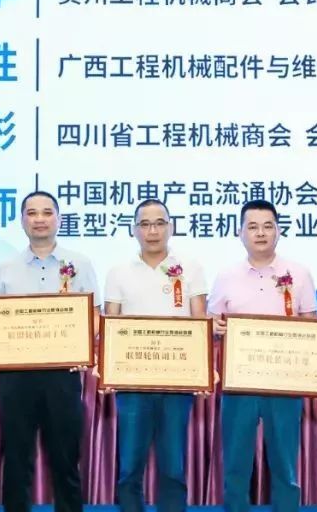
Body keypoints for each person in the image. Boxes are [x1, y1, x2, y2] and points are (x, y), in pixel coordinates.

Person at [208, 199, 317, 512]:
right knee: (235, 465)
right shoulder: (226, 276)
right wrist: (214, 327)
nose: (260, 233)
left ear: (278, 231)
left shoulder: (299, 273)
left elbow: (312, 327)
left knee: (285, 466)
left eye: (268, 226)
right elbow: (211, 323)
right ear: (240, 233)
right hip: (238, 383)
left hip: (285, 382)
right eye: (253, 227)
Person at [0, 191, 100, 512]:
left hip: (63, 375)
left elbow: (94, 315)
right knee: (16, 458)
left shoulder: (80, 263)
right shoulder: (5, 267)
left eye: (47, 212)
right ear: (22, 220)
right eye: (32, 213)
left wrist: (79, 346)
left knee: (66, 458)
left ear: (59, 219)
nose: (39, 219)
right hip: (15, 376)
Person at [102, 199, 208, 512]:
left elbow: (200, 323)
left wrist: (202, 372)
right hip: (131, 383)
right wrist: (108, 370)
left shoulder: (191, 267)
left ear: (170, 227)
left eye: (160, 223)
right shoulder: (118, 272)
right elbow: (111, 325)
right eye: (145, 224)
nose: (152, 231)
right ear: (134, 229)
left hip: (177, 382)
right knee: (129, 467)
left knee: (173, 467)